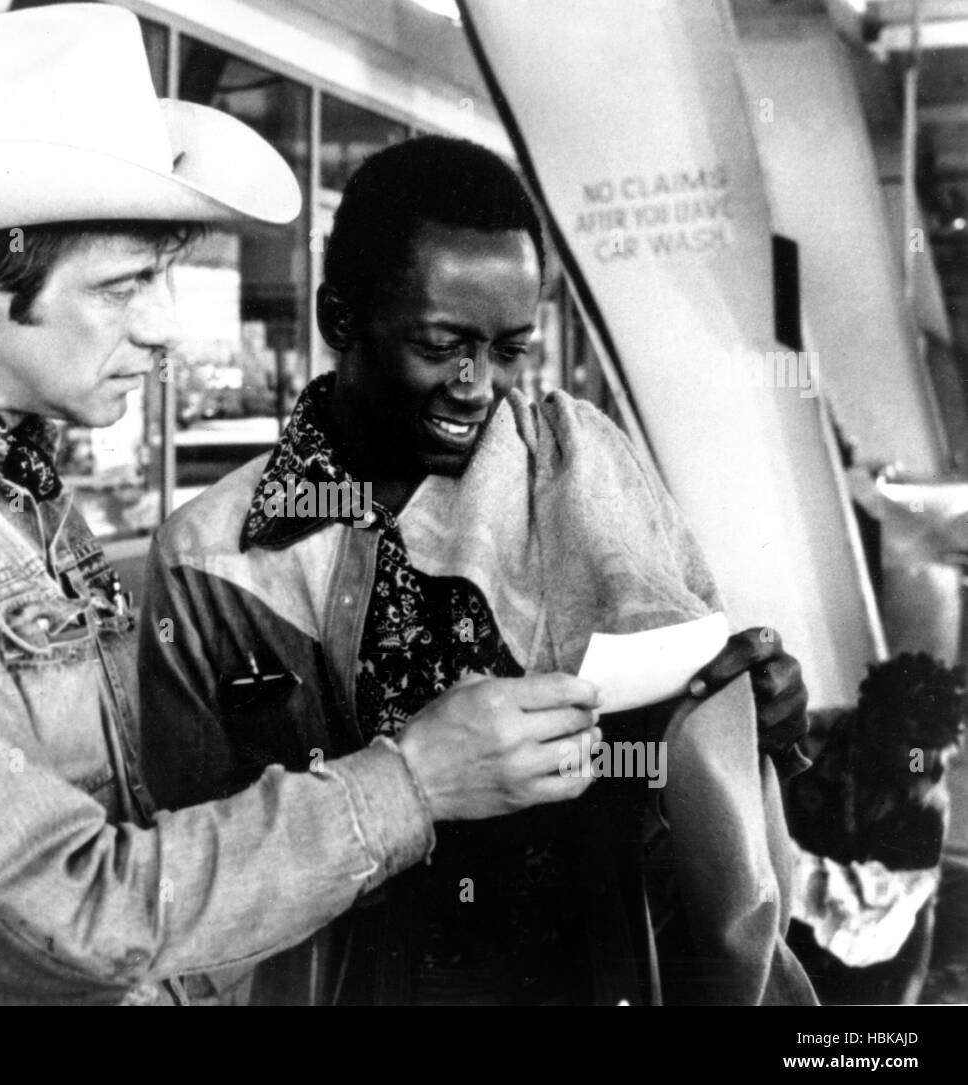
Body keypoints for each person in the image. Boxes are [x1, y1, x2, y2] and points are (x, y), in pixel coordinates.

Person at [0, 6, 608, 1006]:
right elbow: (70, 915)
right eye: (127, 284)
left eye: (166, 273)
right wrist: (416, 780)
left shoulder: (1, 480)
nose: (167, 329)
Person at [139, 136, 817, 1005]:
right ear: (339, 318)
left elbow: (669, 788)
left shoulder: (583, 484)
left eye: (509, 351)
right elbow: (186, 885)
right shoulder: (212, 560)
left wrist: (746, 719)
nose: (478, 385)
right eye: (443, 344)